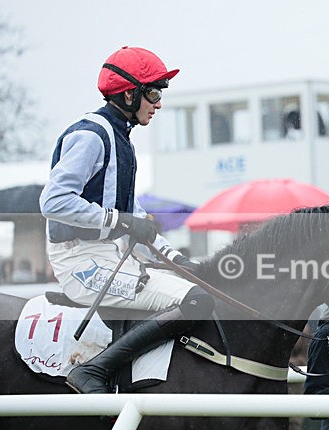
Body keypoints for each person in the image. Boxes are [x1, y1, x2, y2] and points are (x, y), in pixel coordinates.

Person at [39, 46, 214, 394]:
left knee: (203, 288)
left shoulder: (121, 139)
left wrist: (177, 259)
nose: (159, 102)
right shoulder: (92, 136)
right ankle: (92, 371)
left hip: (110, 255)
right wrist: (117, 221)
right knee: (197, 301)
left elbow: (132, 215)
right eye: (153, 92)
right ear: (128, 93)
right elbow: (53, 201)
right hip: (80, 261)